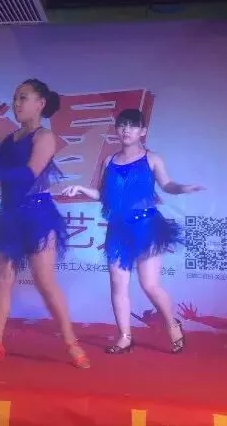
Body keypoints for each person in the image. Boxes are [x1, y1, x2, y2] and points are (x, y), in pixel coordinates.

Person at [0, 79, 89, 368]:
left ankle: (71, 342)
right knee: (1, 280)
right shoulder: (10, 138)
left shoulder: (44, 136)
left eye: (23, 97)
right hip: (9, 214)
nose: (17, 103)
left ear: (40, 103)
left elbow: (29, 173)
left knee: (44, 281)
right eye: (15, 98)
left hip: (37, 215)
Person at [62, 108, 204, 354]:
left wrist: (183, 188)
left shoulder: (152, 158)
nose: (126, 130)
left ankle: (172, 324)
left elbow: (167, 185)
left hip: (146, 226)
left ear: (142, 131)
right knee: (118, 285)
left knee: (150, 285)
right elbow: (102, 194)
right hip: (117, 229)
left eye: (132, 125)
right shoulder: (109, 160)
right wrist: (81, 189)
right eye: (122, 125)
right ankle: (125, 337)